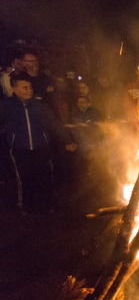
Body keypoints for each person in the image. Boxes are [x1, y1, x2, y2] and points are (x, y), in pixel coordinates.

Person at [1, 74, 75, 213]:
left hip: (41, 147)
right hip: (19, 149)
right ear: (14, 89)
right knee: (24, 180)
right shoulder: (7, 105)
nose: (29, 90)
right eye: (25, 87)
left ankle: (50, 204)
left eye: (30, 87)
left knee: (46, 176)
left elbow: (54, 124)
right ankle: (25, 205)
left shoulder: (40, 105)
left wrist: (67, 140)